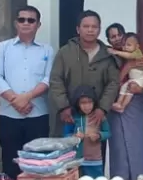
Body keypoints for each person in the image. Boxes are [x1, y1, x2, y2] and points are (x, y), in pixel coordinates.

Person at [0, 5, 55, 180]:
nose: (26, 23)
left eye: (31, 20)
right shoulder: (2, 48)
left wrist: (27, 97)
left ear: (38, 25)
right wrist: (15, 100)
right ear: (15, 23)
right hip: (9, 115)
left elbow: (49, 79)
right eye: (22, 19)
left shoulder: (47, 50)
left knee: (38, 164)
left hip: (38, 115)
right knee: (11, 162)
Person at [49, 10, 120, 155]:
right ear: (78, 29)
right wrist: (63, 107)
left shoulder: (107, 55)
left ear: (99, 30)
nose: (90, 30)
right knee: (69, 158)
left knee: (95, 157)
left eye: (94, 27)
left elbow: (113, 83)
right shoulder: (65, 52)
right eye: (86, 26)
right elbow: (56, 80)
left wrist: (102, 108)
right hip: (70, 115)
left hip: (95, 116)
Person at [107, 32, 143, 180]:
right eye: (112, 36)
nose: (116, 39)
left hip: (135, 104)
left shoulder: (137, 57)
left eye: (119, 36)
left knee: (136, 144)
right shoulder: (109, 57)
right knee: (118, 147)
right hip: (114, 105)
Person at [63, 86, 112, 178]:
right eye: (83, 103)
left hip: (95, 159)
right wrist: (74, 137)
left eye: (90, 102)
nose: (87, 106)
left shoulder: (99, 116)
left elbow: (108, 132)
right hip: (76, 159)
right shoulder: (73, 117)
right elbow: (66, 135)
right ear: (77, 103)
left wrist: (98, 135)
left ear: (94, 102)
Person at [109, 33, 143, 112]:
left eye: (128, 45)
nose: (126, 47)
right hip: (132, 79)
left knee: (130, 89)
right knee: (125, 87)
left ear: (137, 46)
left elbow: (129, 56)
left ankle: (123, 105)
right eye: (124, 45)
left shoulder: (137, 53)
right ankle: (119, 104)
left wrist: (116, 52)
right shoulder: (115, 57)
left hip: (139, 79)